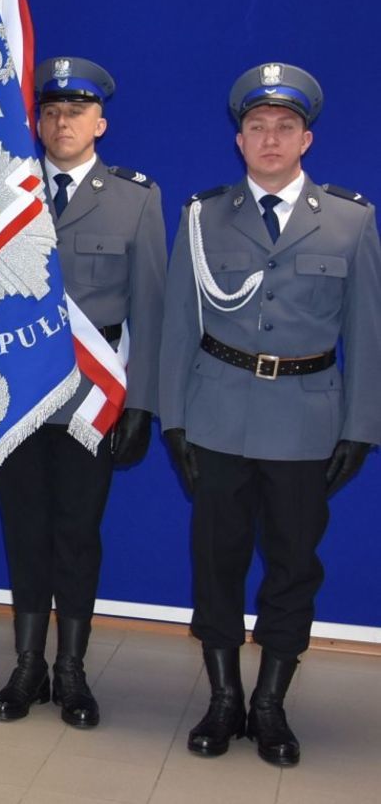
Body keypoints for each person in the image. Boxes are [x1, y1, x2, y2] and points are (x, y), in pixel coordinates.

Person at [161, 63, 381, 766]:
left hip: (306, 422)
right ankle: (225, 699)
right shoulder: (203, 217)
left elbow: (367, 331)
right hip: (218, 414)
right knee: (216, 562)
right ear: (239, 139)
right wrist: (173, 420)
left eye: (285, 127)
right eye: (257, 126)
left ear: (306, 139)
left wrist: (361, 427)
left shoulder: (350, 220)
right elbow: (179, 324)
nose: (271, 138)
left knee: (293, 565)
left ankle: (270, 705)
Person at [0, 57, 166, 728]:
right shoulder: (4, 193)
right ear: (37, 122)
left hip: (93, 398)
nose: (62, 123)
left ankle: (71, 669)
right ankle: (27, 665)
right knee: (24, 532)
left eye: (76, 112)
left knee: (77, 534)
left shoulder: (135, 198)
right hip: (17, 394)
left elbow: (150, 307)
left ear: (100, 124)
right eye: (51, 112)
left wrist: (142, 403)